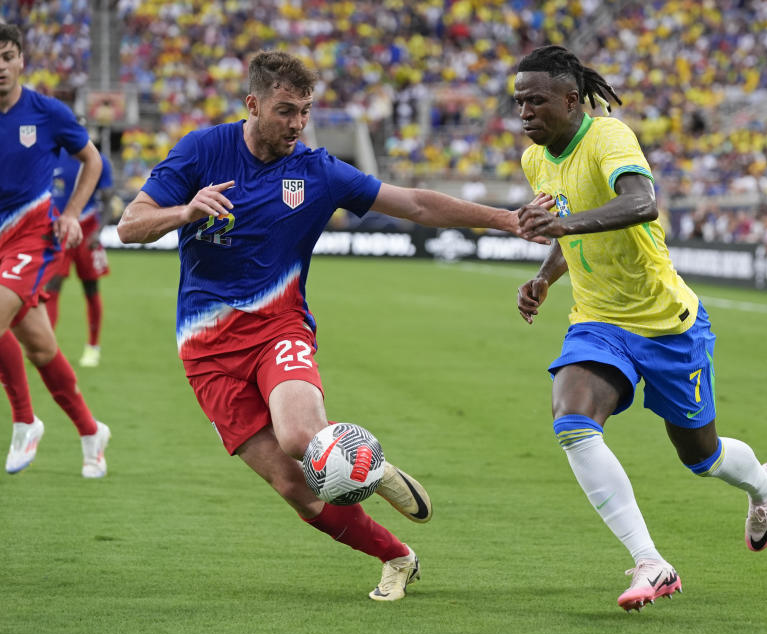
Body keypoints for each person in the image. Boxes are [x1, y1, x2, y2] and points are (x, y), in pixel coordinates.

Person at [117, 50, 549, 602]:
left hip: (279, 330)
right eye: (285, 111)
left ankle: (366, 464)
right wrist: (184, 211)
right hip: (206, 352)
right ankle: (398, 557)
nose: (297, 123)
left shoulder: (318, 171)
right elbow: (131, 224)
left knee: (301, 436)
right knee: (294, 486)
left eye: (305, 111)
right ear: (252, 104)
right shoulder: (203, 151)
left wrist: (504, 219)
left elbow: (413, 202)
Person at [511, 45, 767, 612]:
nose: (525, 113)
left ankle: (762, 484)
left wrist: (561, 223)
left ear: (568, 98)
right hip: (598, 321)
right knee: (572, 419)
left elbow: (641, 204)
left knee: (701, 457)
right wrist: (543, 277)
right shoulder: (535, 161)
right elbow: (570, 235)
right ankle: (651, 562)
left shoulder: (609, 138)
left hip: (667, 325)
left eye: (536, 101)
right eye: (518, 103)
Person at [0, 24, 111, 477]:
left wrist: (72, 214)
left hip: (31, 237)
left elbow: (93, 160)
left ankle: (25, 421)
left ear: (21, 60)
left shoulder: (46, 112)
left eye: (7, 56)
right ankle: (90, 431)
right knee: (41, 348)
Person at [46, 145, 114, 367]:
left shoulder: (97, 160)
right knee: (52, 287)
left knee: (90, 288)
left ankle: (93, 347)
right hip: (58, 230)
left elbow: (108, 200)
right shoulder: (52, 155)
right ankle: (48, 346)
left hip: (86, 230)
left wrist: (98, 231)